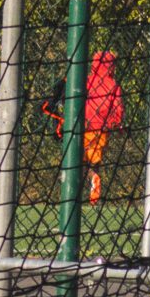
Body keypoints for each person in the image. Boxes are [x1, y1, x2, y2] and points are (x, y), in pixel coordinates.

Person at [42, 47, 126, 205]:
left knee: (78, 159)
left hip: (82, 125)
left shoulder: (86, 79)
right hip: (102, 128)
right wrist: (117, 123)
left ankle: (73, 188)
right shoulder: (113, 85)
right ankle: (94, 191)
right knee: (94, 162)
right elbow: (118, 109)